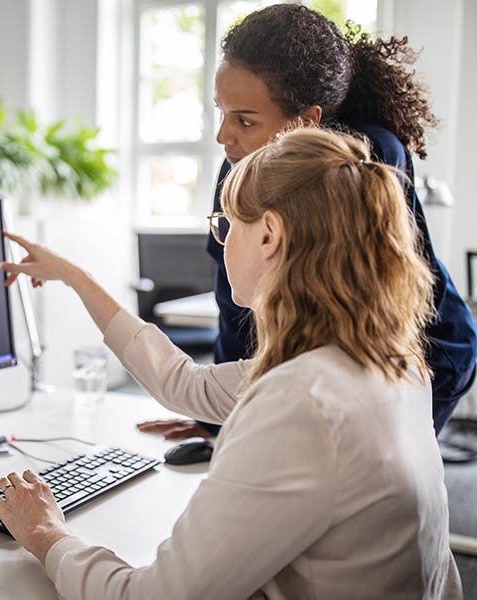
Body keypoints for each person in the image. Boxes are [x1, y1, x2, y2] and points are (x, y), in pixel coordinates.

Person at [0, 127, 461, 599]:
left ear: (269, 234)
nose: (221, 243)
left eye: (225, 225)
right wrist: (77, 278)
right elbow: (184, 383)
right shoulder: (381, 359)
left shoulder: (303, 402)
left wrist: (45, 534)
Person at [138, 3, 477, 442]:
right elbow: (234, 304)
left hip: (423, 355)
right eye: (222, 112)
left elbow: (360, 313)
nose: (224, 136)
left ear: (307, 120)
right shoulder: (237, 165)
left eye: (244, 119)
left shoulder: (366, 158)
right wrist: (218, 419)